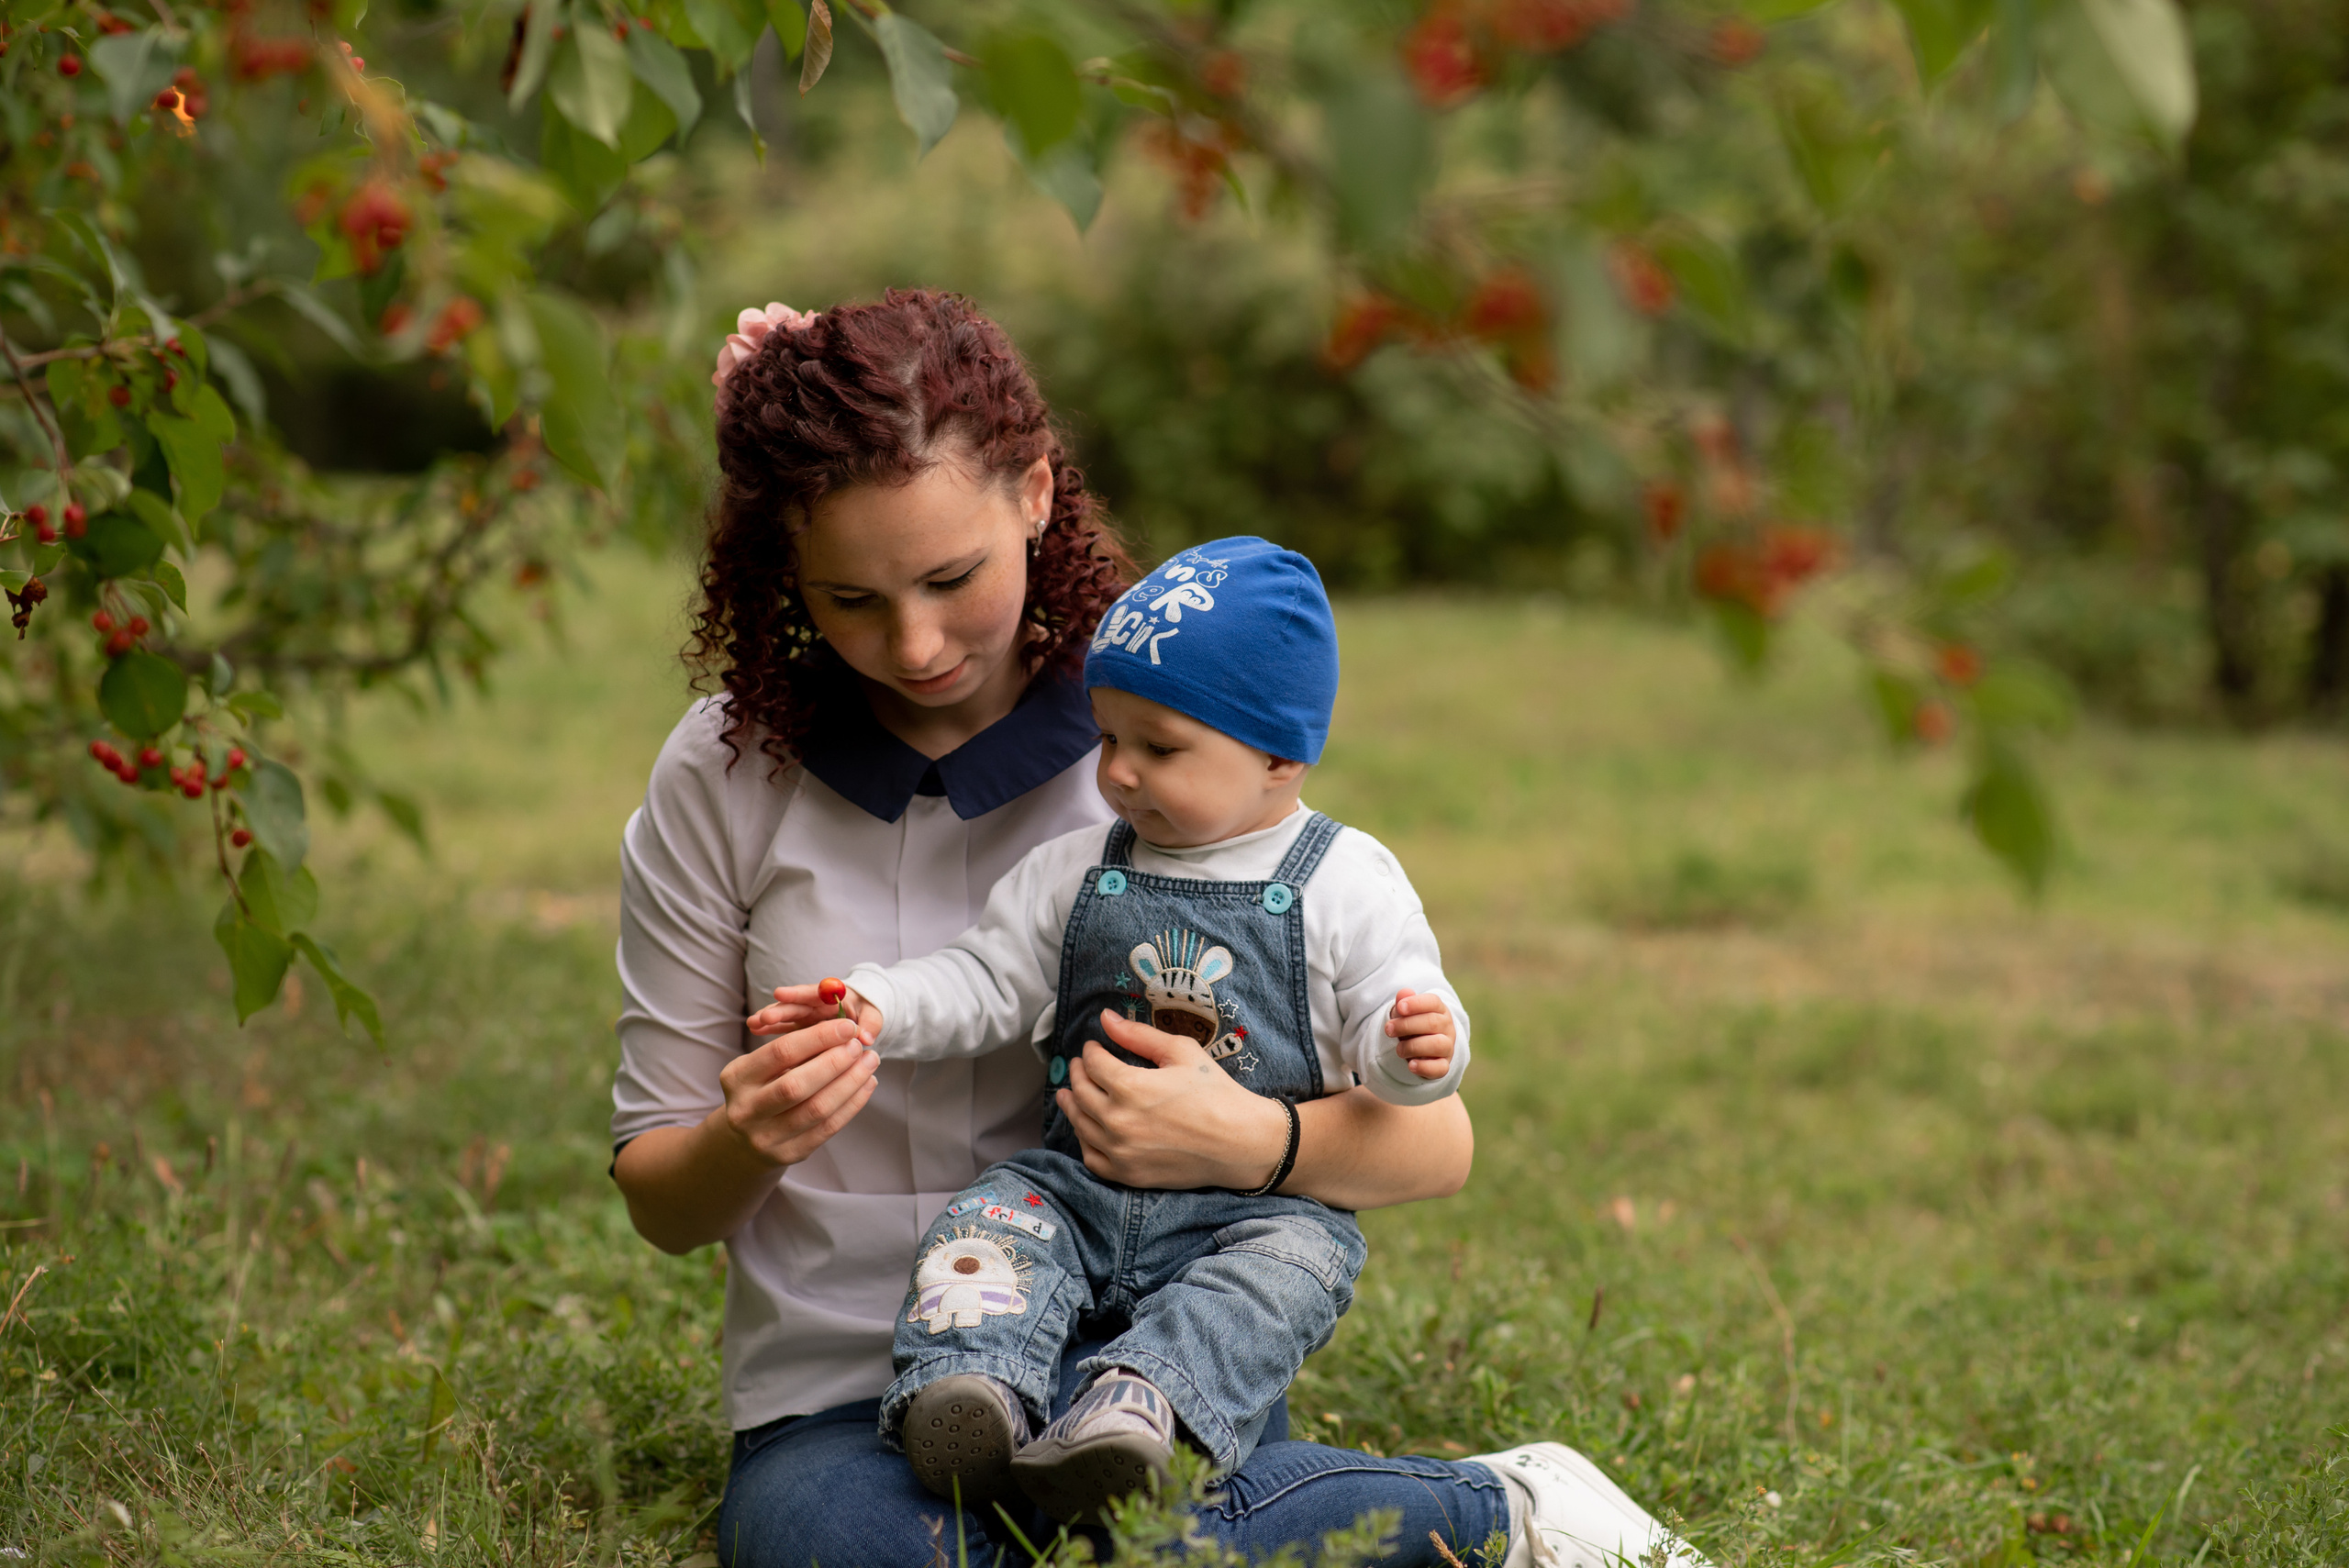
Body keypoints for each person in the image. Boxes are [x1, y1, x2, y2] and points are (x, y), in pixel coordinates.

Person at [608, 288, 1703, 1568]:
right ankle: (1322, 1518)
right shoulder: (723, 775)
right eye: (850, 597)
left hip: (1143, 1362)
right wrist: (750, 1137)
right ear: (784, 569)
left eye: (952, 579)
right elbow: (662, 1193)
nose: (912, 646)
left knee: (1140, 1524)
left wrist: (1253, 1133)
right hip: (845, 1400)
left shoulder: (1156, 751)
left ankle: (1503, 1511)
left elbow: (1436, 1140)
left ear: (1031, 491)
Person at [749, 538, 1468, 1525]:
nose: (1118, 774)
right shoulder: (1075, 867)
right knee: (991, 1221)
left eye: (1159, 747)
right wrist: (877, 1001)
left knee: (1293, 1268)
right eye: (1109, 738)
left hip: (1249, 1210)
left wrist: (1416, 1048)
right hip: (1078, 1181)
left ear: (1278, 754)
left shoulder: (1346, 880)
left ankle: (1146, 1407)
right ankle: (974, 1392)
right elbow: (984, 976)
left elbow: (1398, 1018)